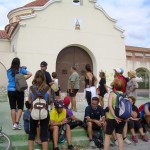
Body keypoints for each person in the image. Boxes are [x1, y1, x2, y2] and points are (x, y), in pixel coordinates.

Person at [7, 57, 32, 130]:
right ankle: (17, 123)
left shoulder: (8, 71)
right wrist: (23, 79)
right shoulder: (21, 70)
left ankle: (14, 124)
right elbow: (30, 74)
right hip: (19, 90)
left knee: (13, 107)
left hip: (10, 90)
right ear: (19, 63)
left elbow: (10, 79)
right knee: (20, 107)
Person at [28, 70, 50, 150]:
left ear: (35, 78)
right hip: (45, 113)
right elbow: (49, 101)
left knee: (32, 133)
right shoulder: (48, 88)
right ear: (44, 78)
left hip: (34, 112)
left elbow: (29, 101)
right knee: (44, 134)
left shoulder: (31, 88)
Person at [104, 78, 126, 150]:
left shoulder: (112, 94)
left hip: (112, 118)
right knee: (119, 136)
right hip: (122, 118)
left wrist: (115, 116)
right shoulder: (124, 95)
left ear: (114, 86)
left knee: (107, 136)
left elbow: (109, 106)